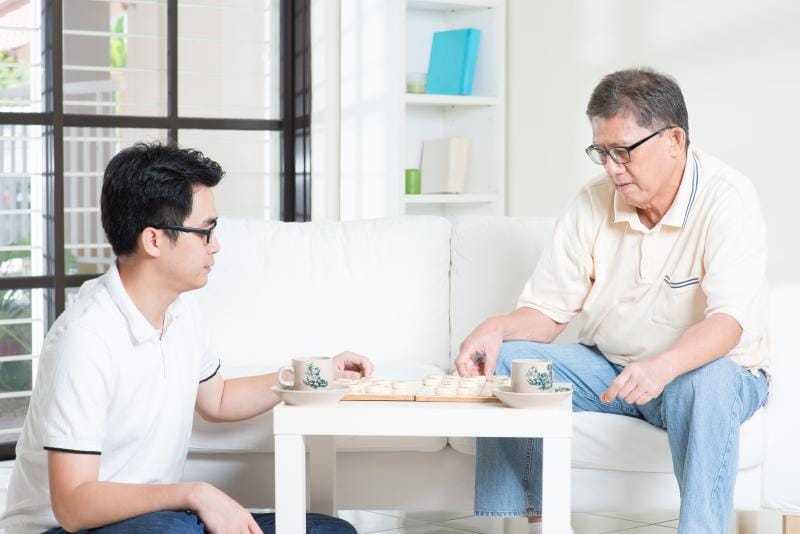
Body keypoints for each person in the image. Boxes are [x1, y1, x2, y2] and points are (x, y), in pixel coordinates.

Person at [455, 68, 769, 534]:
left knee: (709, 377)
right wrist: (497, 327)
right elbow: (547, 313)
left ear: (674, 140)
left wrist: (663, 367)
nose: (610, 168)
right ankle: (536, 523)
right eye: (601, 153)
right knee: (512, 361)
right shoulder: (592, 202)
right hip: (612, 371)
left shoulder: (728, 199)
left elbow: (728, 324)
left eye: (622, 151)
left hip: (697, 375)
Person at [0, 143, 372, 534]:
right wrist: (193, 493)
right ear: (154, 240)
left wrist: (315, 374)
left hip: (161, 519)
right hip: (67, 528)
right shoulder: (85, 339)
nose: (216, 245)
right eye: (205, 232)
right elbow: (73, 505)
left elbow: (219, 399)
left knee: (330, 531)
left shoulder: (182, 311)